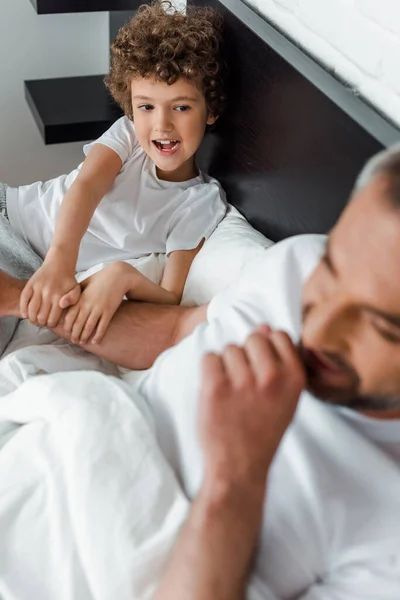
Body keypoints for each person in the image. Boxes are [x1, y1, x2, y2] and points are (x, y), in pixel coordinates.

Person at [2, 146, 400, 597]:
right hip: (46, 469)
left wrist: (236, 474)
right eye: (331, 272)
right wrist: (18, 298)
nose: (319, 329)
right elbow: (174, 332)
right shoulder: (296, 264)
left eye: (382, 327)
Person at [0, 0, 226, 348]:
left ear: (211, 109)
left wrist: (123, 277)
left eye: (181, 107)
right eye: (146, 107)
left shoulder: (200, 203)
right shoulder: (128, 135)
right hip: (10, 219)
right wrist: (61, 262)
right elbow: (87, 186)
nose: (161, 125)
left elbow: (169, 298)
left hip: (27, 270)